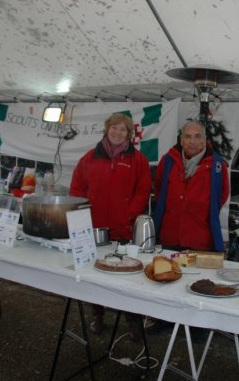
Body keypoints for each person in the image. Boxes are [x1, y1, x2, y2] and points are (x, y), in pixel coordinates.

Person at [70, 112, 151, 341]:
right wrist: (82, 218)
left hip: (123, 230)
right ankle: (97, 315)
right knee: (94, 276)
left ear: (129, 133)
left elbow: (143, 191)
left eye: (123, 129)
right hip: (94, 230)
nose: (117, 133)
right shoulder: (88, 158)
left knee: (128, 279)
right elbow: (76, 190)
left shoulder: (138, 160)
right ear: (107, 129)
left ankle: (133, 321)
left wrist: (128, 215)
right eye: (114, 128)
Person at [153, 120, 230, 251]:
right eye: (188, 137)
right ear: (181, 140)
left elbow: (221, 196)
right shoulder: (167, 161)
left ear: (205, 140)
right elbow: (159, 191)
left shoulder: (217, 166)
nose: (192, 141)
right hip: (170, 239)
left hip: (200, 241)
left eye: (197, 136)